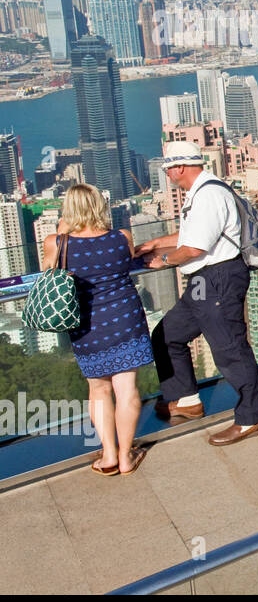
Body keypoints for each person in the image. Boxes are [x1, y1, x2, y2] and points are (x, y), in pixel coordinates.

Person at [136, 141, 258, 446]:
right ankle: (185, 399)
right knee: (167, 335)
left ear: (180, 167)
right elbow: (190, 235)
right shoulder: (201, 192)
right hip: (202, 281)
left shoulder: (208, 194)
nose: (167, 174)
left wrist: (163, 260)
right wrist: (156, 242)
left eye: (168, 168)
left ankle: (251, 418)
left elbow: (195, 247)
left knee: (230, 350)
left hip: (218, 279)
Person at [42, 184, 151, 476]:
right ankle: (128, 457)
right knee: (127, 390)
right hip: (126, 319)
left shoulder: (57, 242)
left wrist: (63, 227)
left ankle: (110, 455)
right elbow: (127, 262)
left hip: (87, 324)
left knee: (99, 390)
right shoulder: (121, 237)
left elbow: (47, 272)